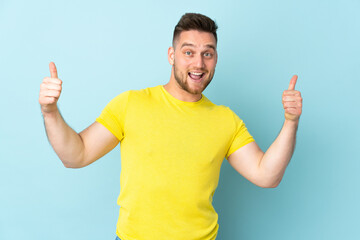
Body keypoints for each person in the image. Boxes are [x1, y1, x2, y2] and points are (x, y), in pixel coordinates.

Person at [39, 13, 302, 240]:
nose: (198, 64)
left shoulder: (225, 120)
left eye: (207, 54)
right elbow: (76, 155)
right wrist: (50, 112)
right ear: (171, 55)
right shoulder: (131, 104)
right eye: (189, 52)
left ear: (215, 59)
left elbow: (267, 175)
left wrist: (291, 122)